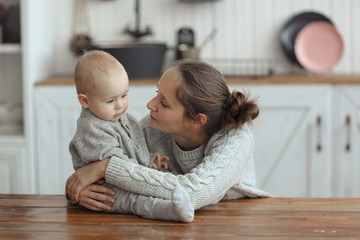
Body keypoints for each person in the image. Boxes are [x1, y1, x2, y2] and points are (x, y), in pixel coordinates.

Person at [66, 58, 271, 213]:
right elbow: (127, 173)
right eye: (157, 93)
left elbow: (192, 193)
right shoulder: (150, 128)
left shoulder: (235, 140)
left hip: (235, 220)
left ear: (197, 121)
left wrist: (105, 167)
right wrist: (80, 189)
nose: (150, 105)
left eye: (163, 102)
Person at [68, 50, 194, 222]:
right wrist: (145, 171)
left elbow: (137, 147)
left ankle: (179, 200)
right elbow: (117, 167)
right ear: (84, 101)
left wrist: (150, 161)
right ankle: (170, 211)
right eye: (110, 101)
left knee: (164, 179)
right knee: (136, 202)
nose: (120, 105)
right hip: (106, 190)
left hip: (128, 179)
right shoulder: (91, 129)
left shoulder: (125, 119)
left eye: (124, 96)